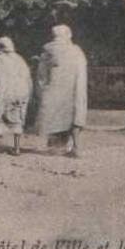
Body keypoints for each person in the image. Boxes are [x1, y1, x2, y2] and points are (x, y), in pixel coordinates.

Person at [34, 25, 88, 157]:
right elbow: (82, 72)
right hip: (75, 90)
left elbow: (41, 76)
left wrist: (42, 90)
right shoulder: (76, 51)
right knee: (75, 115)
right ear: (68, 35)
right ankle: (76, 146)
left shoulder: (48, 52)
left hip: (54, 91)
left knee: (54, 117)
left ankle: (56, 146)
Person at [0, 37, 32, 156]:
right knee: (17, 119)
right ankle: (16, 147)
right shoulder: (20, 60)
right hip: (20, 93)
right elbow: (27, 78)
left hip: (4, 93)